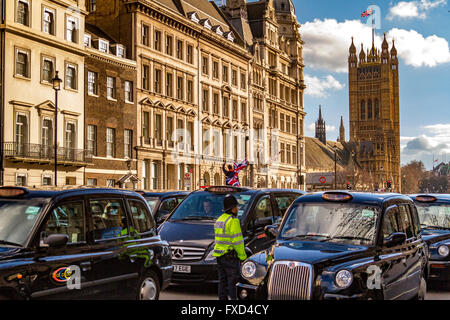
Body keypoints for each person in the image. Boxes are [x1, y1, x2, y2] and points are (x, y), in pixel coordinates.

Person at [212, 194, 247, 300]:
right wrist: (243, 257)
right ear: (232, 208)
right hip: (230, 257)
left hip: (219, 255)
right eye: (236, 206)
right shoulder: (233, 221)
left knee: (222, 282)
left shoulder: (219, 219)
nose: (237, 208)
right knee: (233, 282)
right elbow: (238, 242)